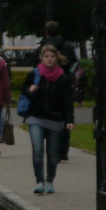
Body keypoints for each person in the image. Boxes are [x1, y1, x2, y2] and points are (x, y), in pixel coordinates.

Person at [22, 43, 75, 194]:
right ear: (42, 58)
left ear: (57, 58)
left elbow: (67, 101)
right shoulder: (35, 74)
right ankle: (39, 181)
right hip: (36, 117)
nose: (49, 59)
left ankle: (50, 180)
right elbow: (24, 89)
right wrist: (29, 89)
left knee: (53, 155)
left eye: (52, 56)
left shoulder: (63, 78)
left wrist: (70, 120)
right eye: (46, 56)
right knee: (38, 149)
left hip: (55, 119)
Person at [34, 21, 78, 162]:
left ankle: (50, 147)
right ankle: (62, 150)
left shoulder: (42, 48)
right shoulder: (68, 47)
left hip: (45, 87)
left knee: (47, 117)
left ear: (46, 32)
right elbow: (75, 66)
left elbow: (35, 66)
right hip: (65, 84)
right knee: (64, 116)